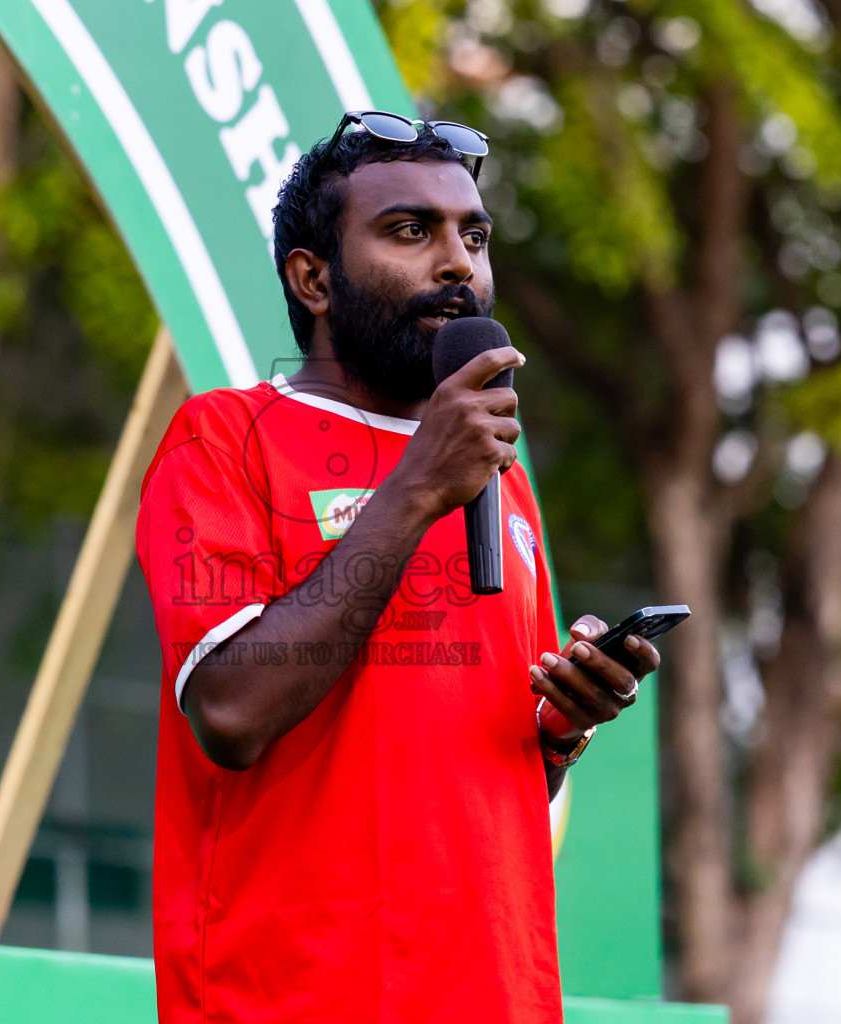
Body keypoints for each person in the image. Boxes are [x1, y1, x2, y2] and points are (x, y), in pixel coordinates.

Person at [134, 113, 660, 1024]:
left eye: (474, 235)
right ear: (313, 277)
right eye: (411, 231)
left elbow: (491, 781)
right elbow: (229, 713)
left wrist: (564, 724)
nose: (457, 262)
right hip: (295, 994)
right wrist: (416, 488)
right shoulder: (222, 440)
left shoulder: (502, 481)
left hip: (492, 992)